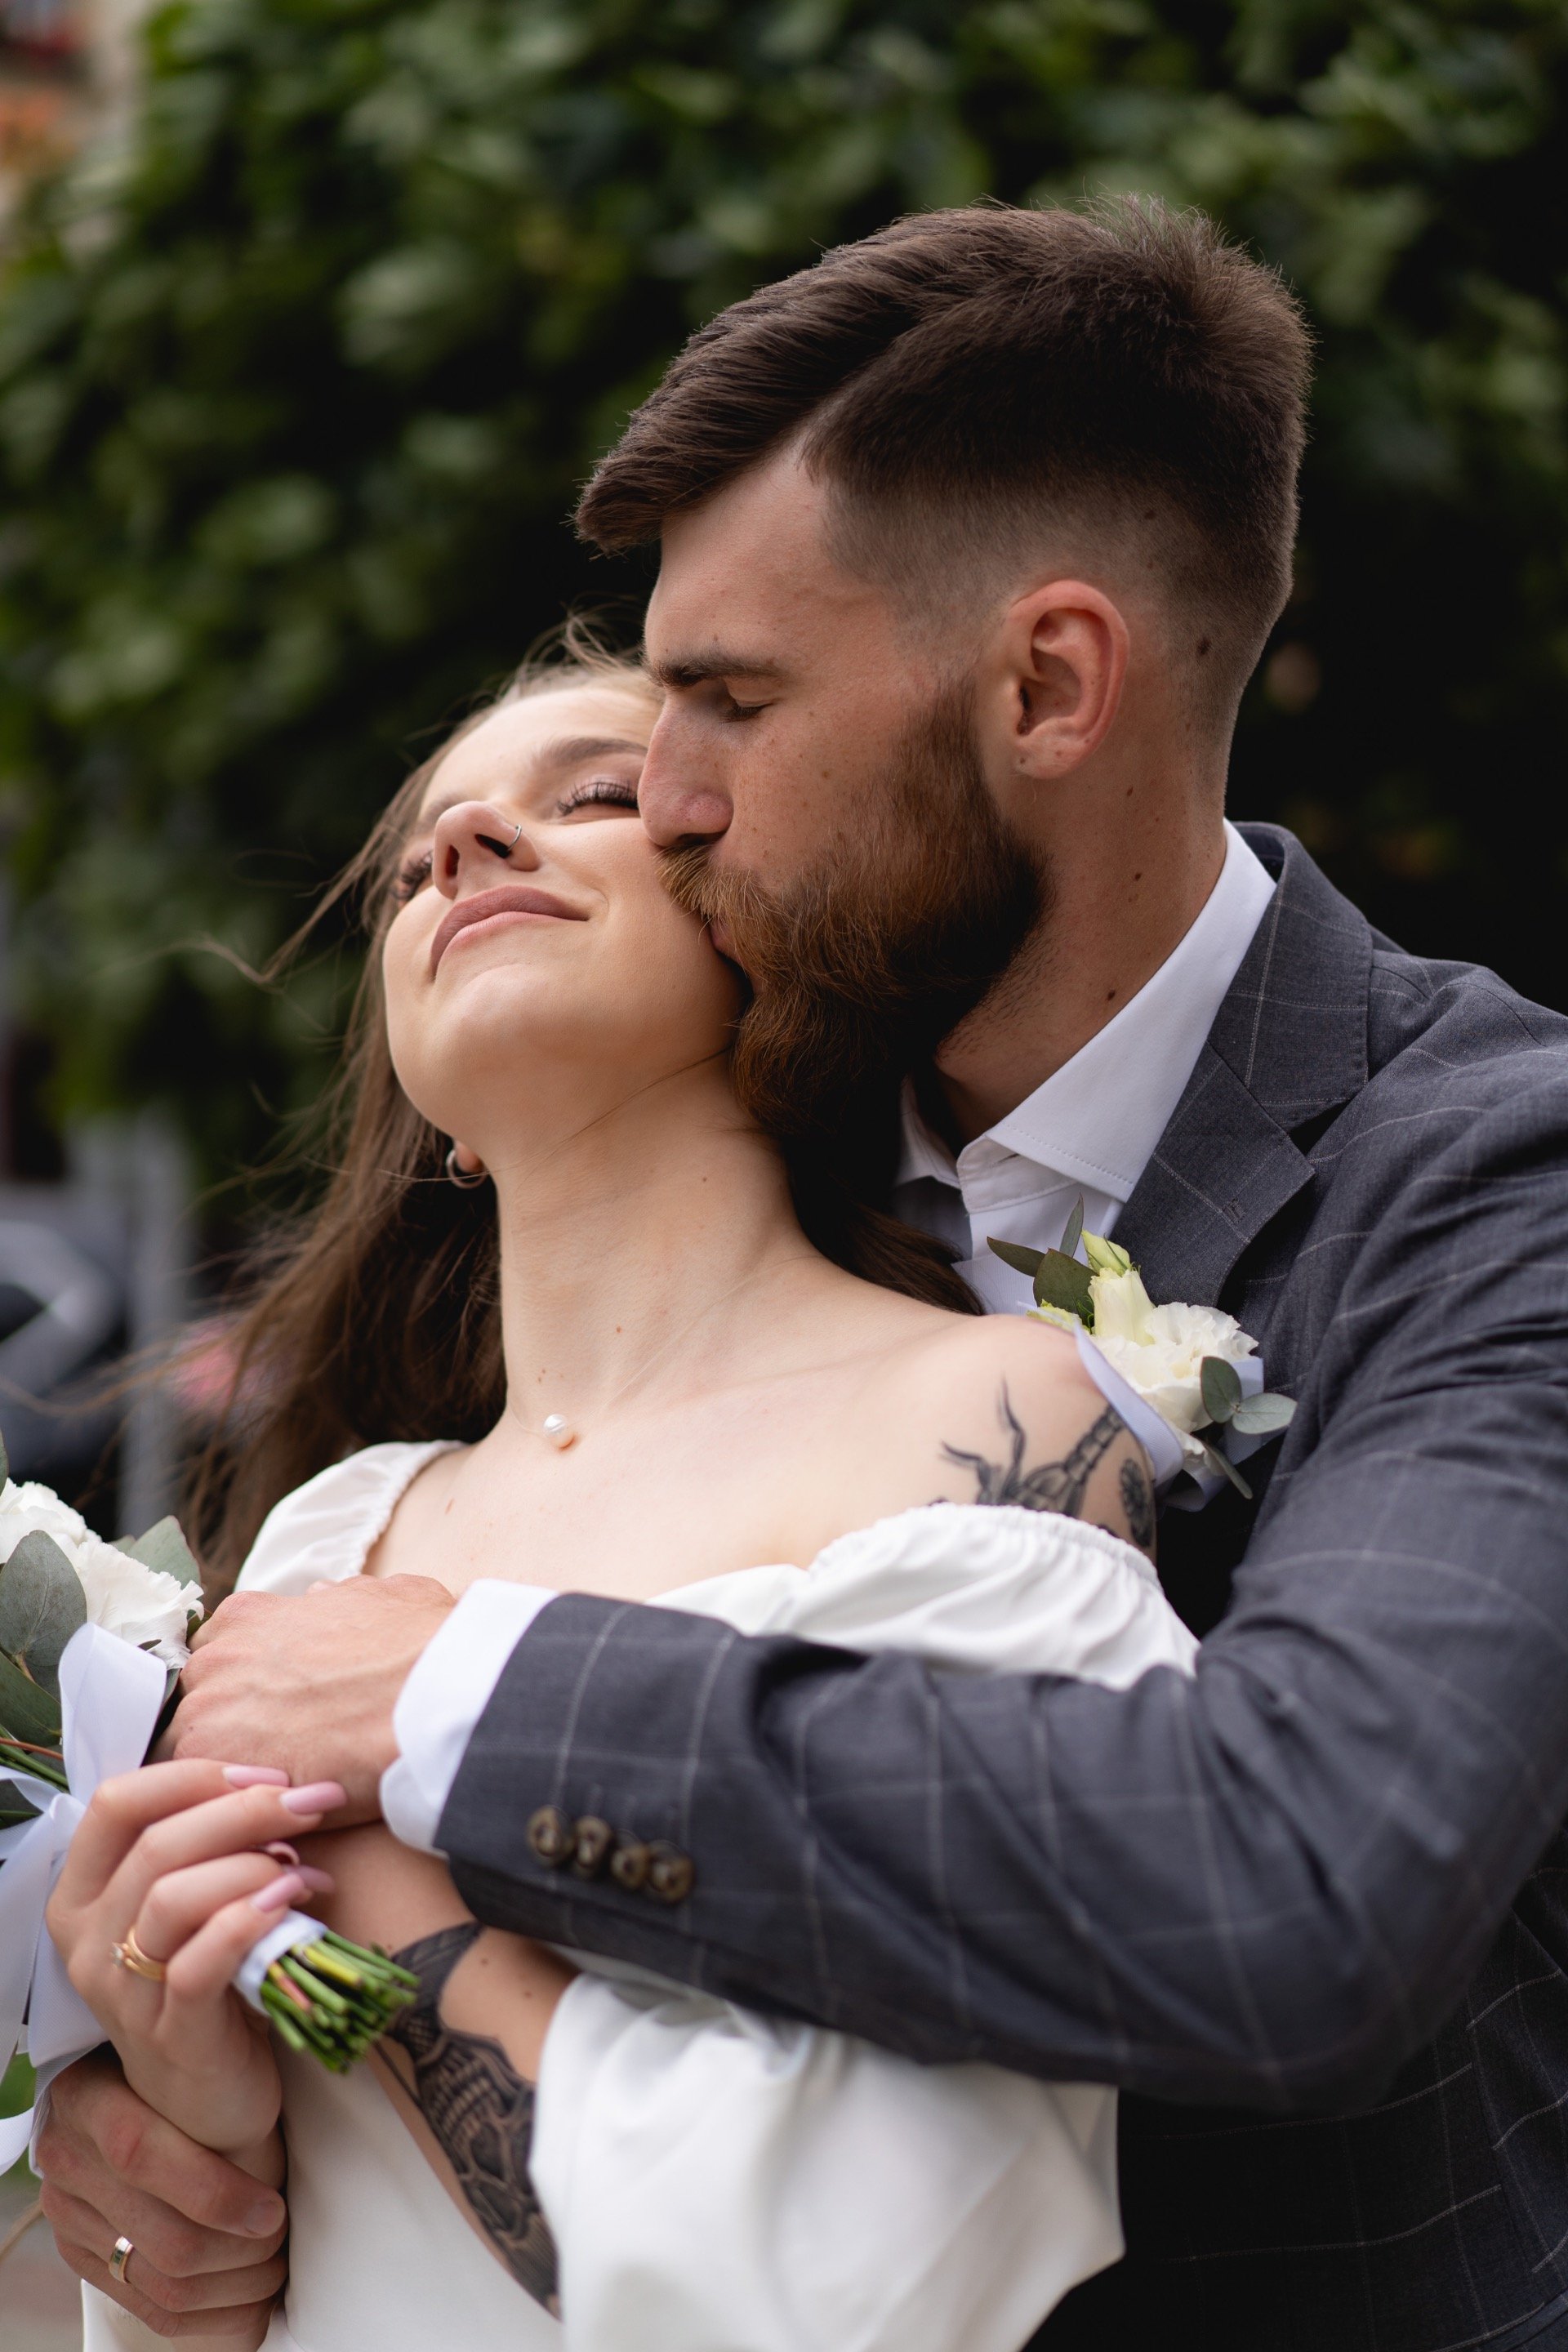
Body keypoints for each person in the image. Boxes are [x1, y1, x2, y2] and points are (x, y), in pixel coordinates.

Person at [46, 197, 1568, 2349]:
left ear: (1049, 683)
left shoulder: (1496, 1170)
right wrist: (170, 2145)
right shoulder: (727, 1103)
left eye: (728, 704)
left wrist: (457, 1697)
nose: (661, 808)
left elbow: (1300, 1891)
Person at [43, 642, 1198, 2351]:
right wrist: (184, 2145)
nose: (464, 851)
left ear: (773, 925)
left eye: (591, 797)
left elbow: (844, 2280)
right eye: (426, 849)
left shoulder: (993, 1418)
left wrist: (367, 1873)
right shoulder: (330, 1533)